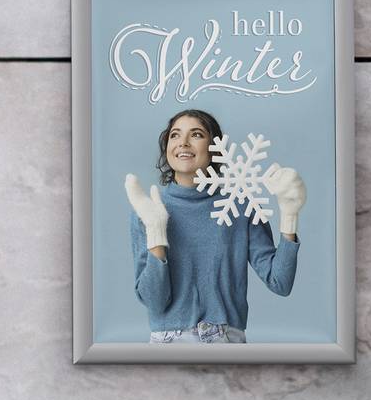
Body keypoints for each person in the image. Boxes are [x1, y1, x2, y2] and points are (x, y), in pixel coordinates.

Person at [122, 106, 303, 342]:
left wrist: (289, 215)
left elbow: (280, 283)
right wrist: (156, 231)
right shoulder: (147, 209)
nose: (183, 142)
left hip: (225, 341)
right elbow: (154, 301)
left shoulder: (240, 206)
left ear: (214, 148)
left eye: (196, 134)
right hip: (167, 345)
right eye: (175, 135)